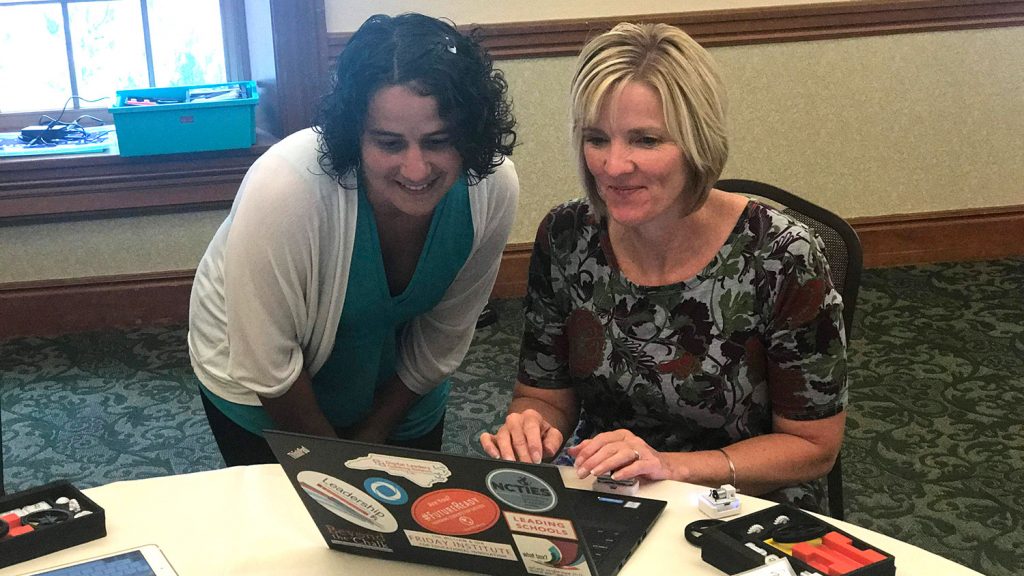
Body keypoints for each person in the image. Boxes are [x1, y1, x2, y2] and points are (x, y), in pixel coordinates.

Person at [480, 22, 846, 512]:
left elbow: (812, 448)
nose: (612, 166)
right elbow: (544, 395)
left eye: (645, 140)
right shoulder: (568, 236)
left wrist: (671, 468)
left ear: (697, 143)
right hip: (607, 484)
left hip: (742, 499)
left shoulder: (782, 255)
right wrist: (531, 427)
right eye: (596, 138)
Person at [189, 13, 519, 466]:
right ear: (353, 136)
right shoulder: (285, 187)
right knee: (293, 524)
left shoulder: (494, 187)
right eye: (389, 143)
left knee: (411, 512)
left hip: (396, 376)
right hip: (258, 376)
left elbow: (442, 339)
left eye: (439, 140)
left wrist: (374, 442)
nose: (417, 169)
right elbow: (268, 368)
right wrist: (343, 468)